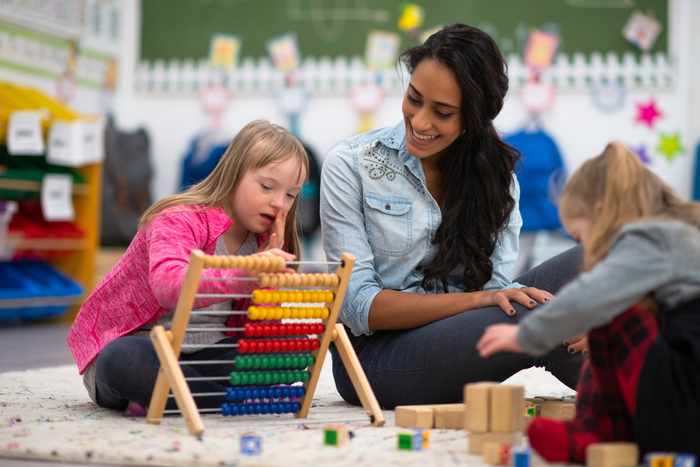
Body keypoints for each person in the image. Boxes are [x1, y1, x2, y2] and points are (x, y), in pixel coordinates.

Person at [320, 23, 583, 409]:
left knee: (587, 260)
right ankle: (642, 397)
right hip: (373, 363)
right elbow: (359, 308)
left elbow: (497, 292)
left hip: (461, 346)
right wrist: (479, 301)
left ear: (472, 120)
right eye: (414, 98)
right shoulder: (352, 164)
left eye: (442, 113)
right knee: (536, 312)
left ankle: (639, 394)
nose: (421, 121)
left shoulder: (497, 180)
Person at [477, 142, 700, 461]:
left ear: (601, 215)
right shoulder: (682, 231)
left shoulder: (646, 237)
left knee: (614, 320)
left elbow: (589, 295)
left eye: (580, 237)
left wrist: (524, 335)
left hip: (680, 406)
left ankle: (600, 431)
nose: (583, 248)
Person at [68, 120, 308, 412]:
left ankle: (179, 397)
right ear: (234, 173)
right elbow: (169, 287)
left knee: (290, 348)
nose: (279, 204)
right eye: (267, 187)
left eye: (290, 195)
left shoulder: (265, 244)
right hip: (148, 346)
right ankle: (212, 398)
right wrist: (246, 275)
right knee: (121, 360)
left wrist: (267, 282)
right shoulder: (178, 218)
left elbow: (257, 334)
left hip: (207, 357)